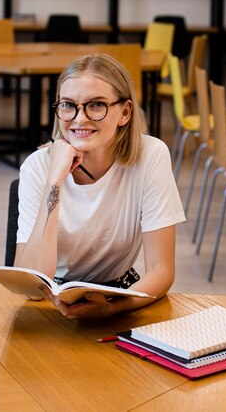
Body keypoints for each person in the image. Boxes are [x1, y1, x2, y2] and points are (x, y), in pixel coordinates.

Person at [15, 53, 185, 319]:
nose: (80, 118)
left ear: (125, 112)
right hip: (49, 301)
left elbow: (162, 270)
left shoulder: (151, 155)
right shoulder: (37, 167)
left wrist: (111, 309)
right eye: (68, 105)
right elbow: (32, 287)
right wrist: (54, 180)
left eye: (95, 105)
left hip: (121, 298)